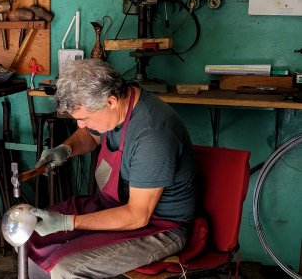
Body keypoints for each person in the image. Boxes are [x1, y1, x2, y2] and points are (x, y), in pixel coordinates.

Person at [27, 59, 196, 279]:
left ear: (111, 102)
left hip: (161, 226)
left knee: (67, 268)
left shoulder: (153, 136)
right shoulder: (117, 108)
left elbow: (137, 216)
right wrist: (66, 149)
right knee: (33, 236)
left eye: (84, 118)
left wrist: (68, 223)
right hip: (116, 206)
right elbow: (91, 135)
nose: (81, 125)